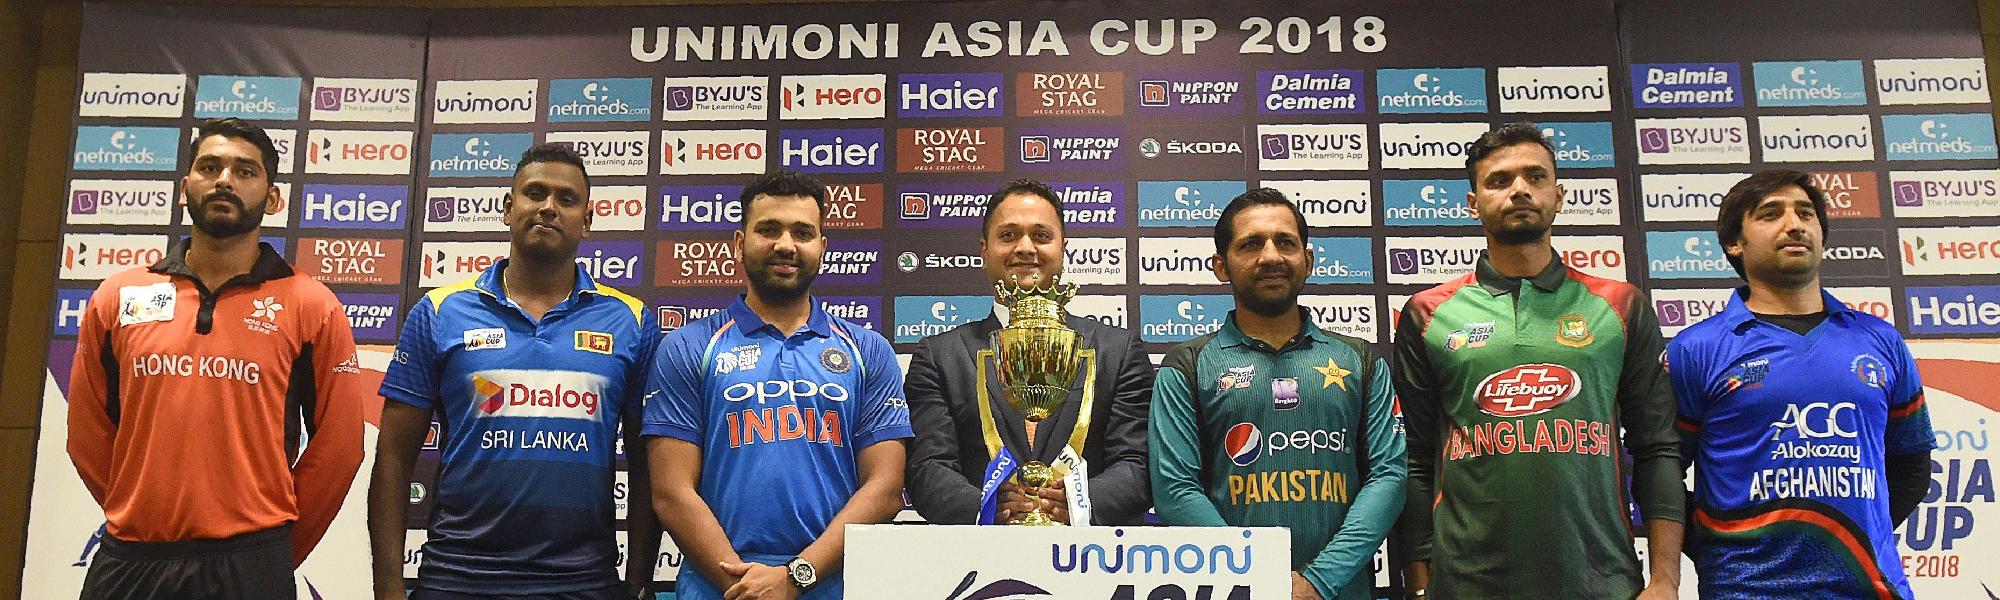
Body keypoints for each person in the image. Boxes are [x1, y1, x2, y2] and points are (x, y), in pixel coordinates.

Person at [67, 117, 365, 599]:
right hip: (131, 559)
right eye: (210, 167)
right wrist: (139, 511)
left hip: (250, 562)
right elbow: (87, 433)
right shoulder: (117, 296)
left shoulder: (311, 305)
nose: (225, 180)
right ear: (185, 188)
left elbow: (340, 446)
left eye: (245, 171)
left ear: (273, 198)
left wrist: (273, 549)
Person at [1393, 122, 1683, 599]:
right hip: (1466, 586)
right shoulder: (1428, 313)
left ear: (1559, 195)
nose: (1519, 189)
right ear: (1472, 204)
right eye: (1499, 180)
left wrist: (1665, 581)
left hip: (1600, 583)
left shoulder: (1620, 305)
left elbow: (1657, 448)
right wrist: (1422, 586)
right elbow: (1417, 460)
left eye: (1535, 176)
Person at [369, 143, 660, 600]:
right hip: (455, 577)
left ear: (586, 221)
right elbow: (393, 457)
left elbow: (648, 466)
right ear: (508, 208)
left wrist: (639, 583)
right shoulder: (440, 311)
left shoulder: (632, 321)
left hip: (583, 582)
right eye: (535, 193)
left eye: (566, 199)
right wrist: (387, 586)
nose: (548, 208)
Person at [644, 171, 911, 600]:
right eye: (768, 230)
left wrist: (794, 577)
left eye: (802, 233)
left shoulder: (867, 350)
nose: (785, 245)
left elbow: (884, 488)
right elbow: (672, 492)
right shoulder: (688, 346)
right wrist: (746, 589)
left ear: (822, 246)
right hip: (718, 586)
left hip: (833, 584)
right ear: (739, 243)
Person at [1667, 170, 1934, 599]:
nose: (1794, 225)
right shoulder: (1696, 349)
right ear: (1735, 243)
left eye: (1806, 214)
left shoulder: (1880, 340)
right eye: (1771, 214)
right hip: (1745, 591)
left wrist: (1858, 542)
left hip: (1870, 588)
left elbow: (1912, 466)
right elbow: (1657, 472)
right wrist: (1716, 551)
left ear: (1822, 237)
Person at [1150, 188, 1406, 600]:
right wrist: (1255, 575)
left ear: (1308, 260)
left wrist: (1320, 580)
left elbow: (1389, 476)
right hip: (1233, 591)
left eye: (1285, 243)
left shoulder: (1360, 358)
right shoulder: (1188, 364)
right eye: (1251, 244)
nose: (1271, 256)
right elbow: (1174, 490)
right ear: (1221, 266)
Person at [904, 178, 1154, 525]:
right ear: (984, 250)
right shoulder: (940, 357)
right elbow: (927, 467)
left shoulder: (1118, 352)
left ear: (1063, 249)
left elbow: (1137, 462)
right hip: (977, 552)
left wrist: (1077, 503)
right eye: (1008, 235)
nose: (1025, 248)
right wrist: (988, 506)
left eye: (1041, 235)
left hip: (1090, 552)